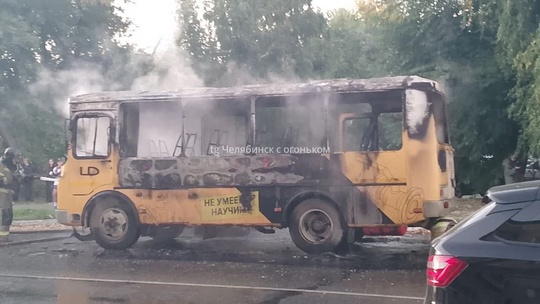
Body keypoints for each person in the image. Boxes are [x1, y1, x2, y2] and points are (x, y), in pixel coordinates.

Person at [0, 148, 19, 242]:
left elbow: (14, 179)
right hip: (1, 193)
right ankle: (2, 237)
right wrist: (6, 182)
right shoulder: (1, 166)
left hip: (7, 194)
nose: (16, 160)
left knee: (8, 215)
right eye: (14, 158)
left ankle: (4, 237)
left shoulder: (9, 166)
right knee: (4, 214)